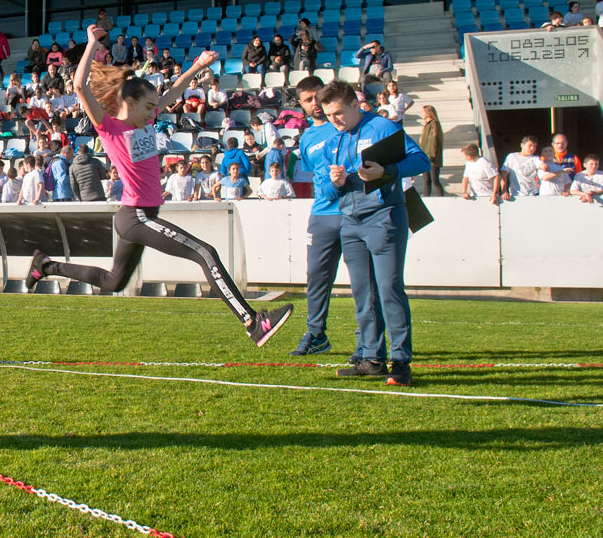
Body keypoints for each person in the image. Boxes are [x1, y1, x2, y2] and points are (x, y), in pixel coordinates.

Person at [25, 23, 293, 346]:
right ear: (130, 104)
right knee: (205, 253)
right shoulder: (110, 128)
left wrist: (197, 66)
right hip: (137, 216)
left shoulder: (145, 120)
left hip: (138, 215)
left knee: (113, 281)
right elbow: (80, 87)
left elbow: (172, 94)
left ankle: (46, 265)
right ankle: (253, 322)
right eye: (149, 107)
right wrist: (91, 44)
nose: (156, 112)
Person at [319, 80, 430, 386]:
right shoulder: (333, 142)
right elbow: (326, 192)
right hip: (351, 220)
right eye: (329, 115)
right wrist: (336, 183)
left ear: (355, 104)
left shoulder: (383, 127)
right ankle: (371, 358)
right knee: (363, 293)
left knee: (389, 289)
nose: (335, 120)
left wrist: (387, 171)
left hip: (385, 216)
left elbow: (421, 160)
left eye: (339, 112)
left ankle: (401, 363)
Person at [289, 75, 376, 359]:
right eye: (308, 100)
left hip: (356, 211)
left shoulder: (352, 124)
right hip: (322, 214)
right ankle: (316, 334)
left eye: (317, 96)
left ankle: (367, 339)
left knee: (362, 280)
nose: (314, 104)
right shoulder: (307, 138)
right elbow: (317, 175)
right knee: (316, 276)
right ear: (300, 104)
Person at [498, 136, 541, 200]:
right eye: (530, 145)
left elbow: (542, 168)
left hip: (534, 194)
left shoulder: (536, 158)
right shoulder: (512, 157)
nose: (532, 148)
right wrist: (504, 191)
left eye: (534, 146)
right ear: (522, 145)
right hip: (516, 194)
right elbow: (504, 174)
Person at [419, 105, 445, 196]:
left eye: (423, 112)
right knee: (426, 180)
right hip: (425, 156)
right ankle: (426, 196)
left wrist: (430, 156)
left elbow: (433, 142)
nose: (422, 114)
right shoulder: (427, 125)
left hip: (431, 157)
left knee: (435, 180)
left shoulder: (434, 124)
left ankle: (441, 197)